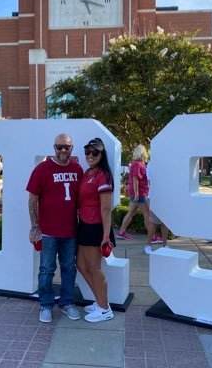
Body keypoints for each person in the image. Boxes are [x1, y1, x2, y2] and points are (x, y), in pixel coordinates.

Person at [26, 133, 83, 323]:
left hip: (70, 231)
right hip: (48, 232)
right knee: (46, 270)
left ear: (72, 148)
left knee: (69, 268)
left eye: (66, 147)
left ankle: (67, 303)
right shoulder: (42, 169)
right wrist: (34, 226)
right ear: (54, 148)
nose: (63, 150)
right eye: (59, 147)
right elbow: (32, 200)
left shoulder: (77, 169)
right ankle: (46, 304)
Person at [77, 138, 115, 322]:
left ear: (102, 155)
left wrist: (106, 235)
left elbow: (106, 209)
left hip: (97, 227)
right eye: (87, 152)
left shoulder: (103, 175)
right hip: (84, 224)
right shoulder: (87, 173)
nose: (90, 156)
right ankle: (99, 301)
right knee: (81, 265)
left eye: (95, 152)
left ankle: (105, 308)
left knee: (94, 268)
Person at [117, 145, 154, 244]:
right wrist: (137, 194)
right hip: (140, 193)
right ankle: (152, 236)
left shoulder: (135, 163)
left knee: (131, 213)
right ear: (142, 153)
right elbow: (135, 179)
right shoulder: (138, 164)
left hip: (136, 192)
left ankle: (121, 232)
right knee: (147, 214)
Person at [145, 161, 169, 254]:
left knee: (165, 222)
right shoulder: (152, 163)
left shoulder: (167, 162)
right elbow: (150, 180)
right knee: (154, 223)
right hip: (155, 196)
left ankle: (165, 245)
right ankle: (148, 245)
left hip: (166, 196)